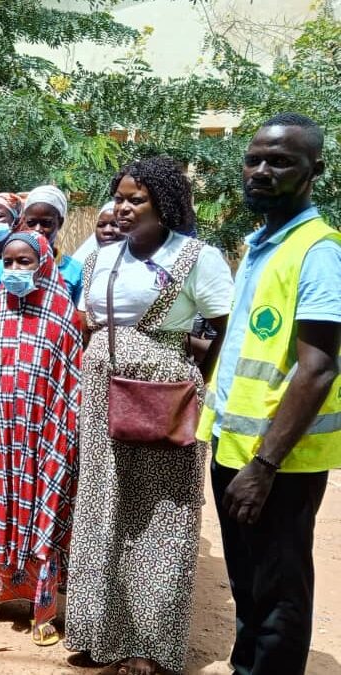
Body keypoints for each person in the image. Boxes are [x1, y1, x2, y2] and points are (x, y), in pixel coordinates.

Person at [64, 157, 233, 675]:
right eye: (119, 197)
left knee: (159, 517)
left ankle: (148, 645)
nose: (122, 206)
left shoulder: (198, 257)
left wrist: (192, 381)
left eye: (136, 198)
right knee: (102, 507)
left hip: (163, 394)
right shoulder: (101, 255)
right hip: (100, 390)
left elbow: (222, 327)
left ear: (166, 203)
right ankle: (98, 632)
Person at [198, 113, 341, 675]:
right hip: (234, 449)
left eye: (279, 161)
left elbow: (319, 368)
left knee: (278, 590)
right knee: (248, 583)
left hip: (277, 460)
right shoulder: (263, 245)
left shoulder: (319, 251)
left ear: (314, 172)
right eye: (254, 158)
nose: (260, 171)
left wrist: (264, 465)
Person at [0, 232, 81, 646]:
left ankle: (42, 607)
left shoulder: (64, 314)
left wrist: (64, 435)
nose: (13, 270)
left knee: (40, 512)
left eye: (24, 262)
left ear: (44, 263)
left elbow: (71, 382)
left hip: (44, 436)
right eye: (7, 262)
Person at [0, 186, 83, 304]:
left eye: (46, 223)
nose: (37, 229)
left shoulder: (74, 270)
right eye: (31, 223)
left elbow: (77, 317)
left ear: (60, 223)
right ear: (24, 221)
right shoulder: (2, 267)